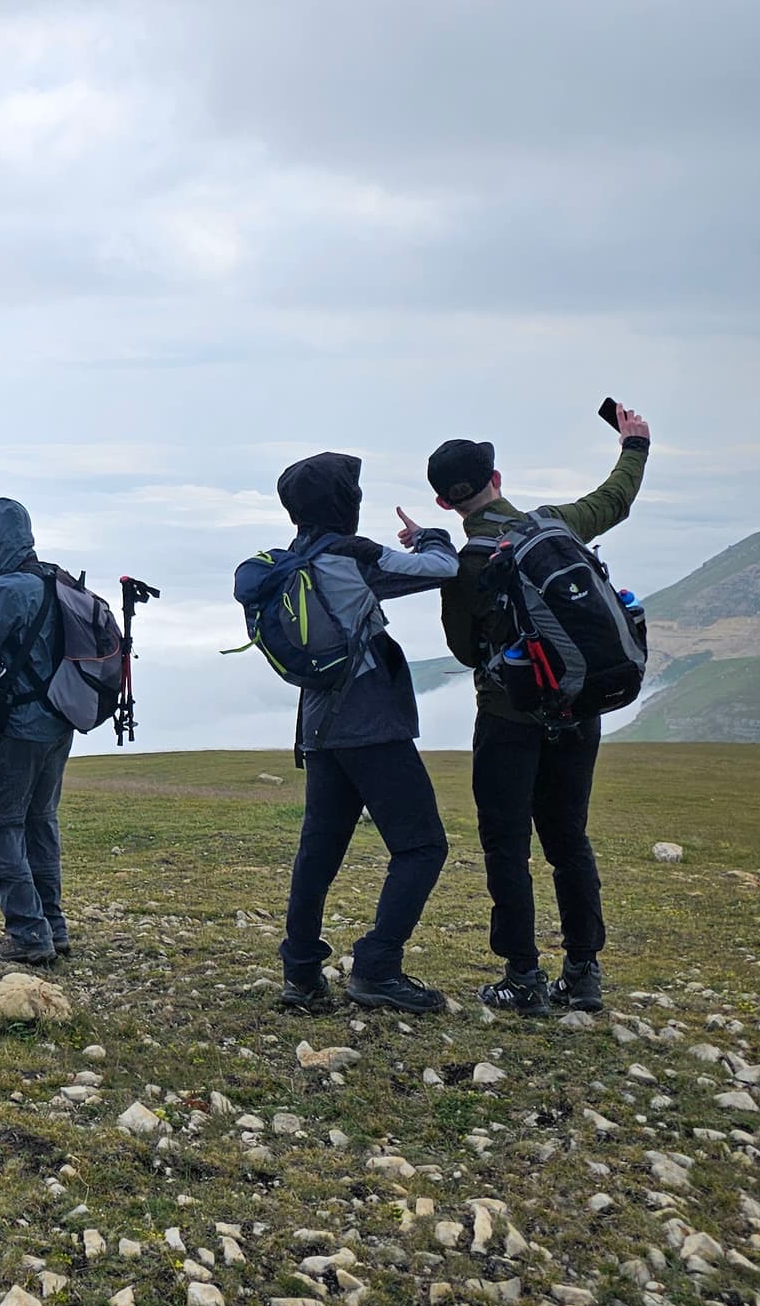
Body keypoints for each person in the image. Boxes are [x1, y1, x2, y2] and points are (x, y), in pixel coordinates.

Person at [429, 404, 651, 1016]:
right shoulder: (553, 525)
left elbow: (462, 648)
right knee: (568, 839)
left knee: (507, 843)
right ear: (496, 477)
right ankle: (582, 972)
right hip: (578, 708)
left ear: (447, 503)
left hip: (507, 716)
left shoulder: (465, 561)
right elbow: (614, 501)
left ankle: (522, 976)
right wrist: (635, 445)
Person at [265, 455, 459, 1015]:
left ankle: (301, 974)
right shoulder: (351, 556)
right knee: (422, 845)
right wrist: (430, 535)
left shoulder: (292, 563)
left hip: (318, 725)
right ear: (342, 502)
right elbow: (440, 568)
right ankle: (377, 967)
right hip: (371, 720)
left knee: (319, 850)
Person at [0, 498, 74, 966]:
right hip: (59, 723)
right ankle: (53, 926)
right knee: (39, 822)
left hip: (19, 727)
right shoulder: (54, 579)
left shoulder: (9, 589)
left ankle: (28, 935)